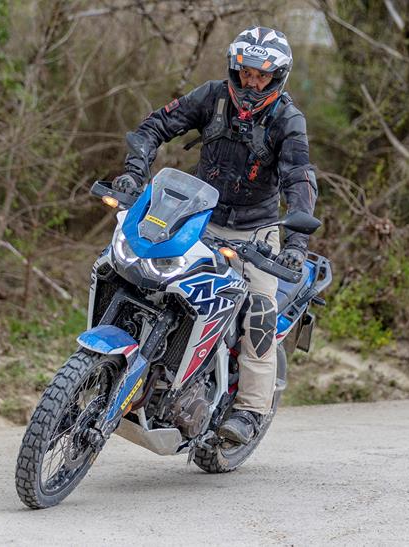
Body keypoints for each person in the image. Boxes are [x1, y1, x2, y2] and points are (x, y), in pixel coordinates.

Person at [113, 26, 317, 444]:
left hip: (256, 232)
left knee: (259, 311)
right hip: (195, 213)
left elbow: (299, 179)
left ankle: (251, 410)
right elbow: (155, 126)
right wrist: (135, 172)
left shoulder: (288, 120)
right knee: (142, 271)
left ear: (277, 77)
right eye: (244, 73)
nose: (251, 82)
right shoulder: (211, 95)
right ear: (234, 68)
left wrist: (296, 244)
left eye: (261, 76)